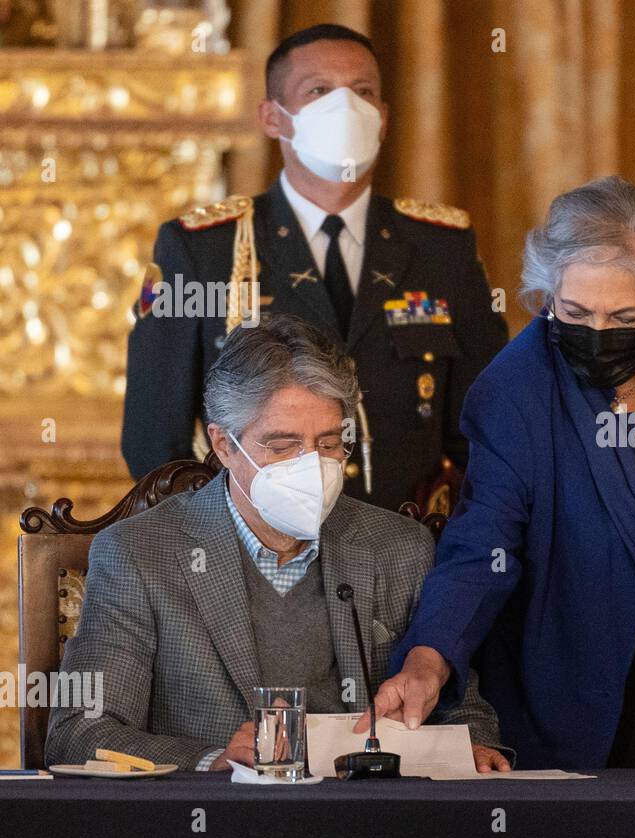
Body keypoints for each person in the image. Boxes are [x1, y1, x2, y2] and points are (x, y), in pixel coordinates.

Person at [361, 176, 635, 769]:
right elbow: (480, 547)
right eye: (573, 312)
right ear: (547, 294)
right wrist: (427, 659)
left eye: (624, 315)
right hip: (590, 696)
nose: (595, 334)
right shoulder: (514, 393)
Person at [49, 314, 510, 772]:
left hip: (365, 825)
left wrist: (476, 752)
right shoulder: (139, 554)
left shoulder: (399, 547)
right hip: (214, 827)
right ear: (225, 445)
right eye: (283, 446)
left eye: (328, 443)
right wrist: (213, 761)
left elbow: (464, 711)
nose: (310, 466)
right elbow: (80, 733)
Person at [122, 23, 507, 512]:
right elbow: (153, 441)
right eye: (318, 91)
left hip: (410, 554)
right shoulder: (202, 251)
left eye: (363, 91)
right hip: (251, 557)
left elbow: (484, 432)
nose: (346, 107)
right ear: (271, 117)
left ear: (384, 118)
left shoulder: (440, 248)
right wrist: (215, 551)